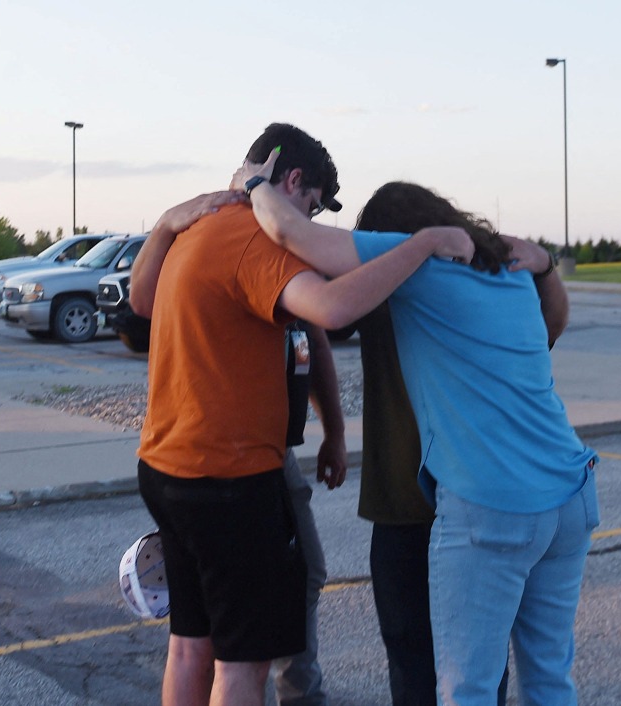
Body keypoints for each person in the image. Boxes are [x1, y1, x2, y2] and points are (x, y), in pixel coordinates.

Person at [130, 123, 473, 706]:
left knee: (190, 645)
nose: (311, 226)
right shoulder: (254, 239)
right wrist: (416, 247)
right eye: (312, 207)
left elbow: (143, 303)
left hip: (165, 468)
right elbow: (333, 310)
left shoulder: (193, 228)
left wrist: (164, 223)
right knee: (244, 665)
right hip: (230, 482)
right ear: (291, 181)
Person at [239, 153, 599, 706]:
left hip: (491, 502)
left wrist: (254, 183)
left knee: (465, 687)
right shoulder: (506, 273)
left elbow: (291, 233)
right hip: (569, 494)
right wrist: (546, 263)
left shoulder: (417, 258)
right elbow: (551, 326)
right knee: (549, 678)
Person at [357, 251, 564, 704]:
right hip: (469, 496)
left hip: (424, 503)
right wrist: (545, 268)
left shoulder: (370, 285)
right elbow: (550, 327)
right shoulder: (471, 291)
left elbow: (318, 316)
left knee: (428, 664)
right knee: (481, 666)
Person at [273, 319, 346, 706]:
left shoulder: (291, 267)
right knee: (231, 602)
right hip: (233, 453)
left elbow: (314, 340)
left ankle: (302, 693)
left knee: (304, 571)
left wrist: (334, 433)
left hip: (273, 451)